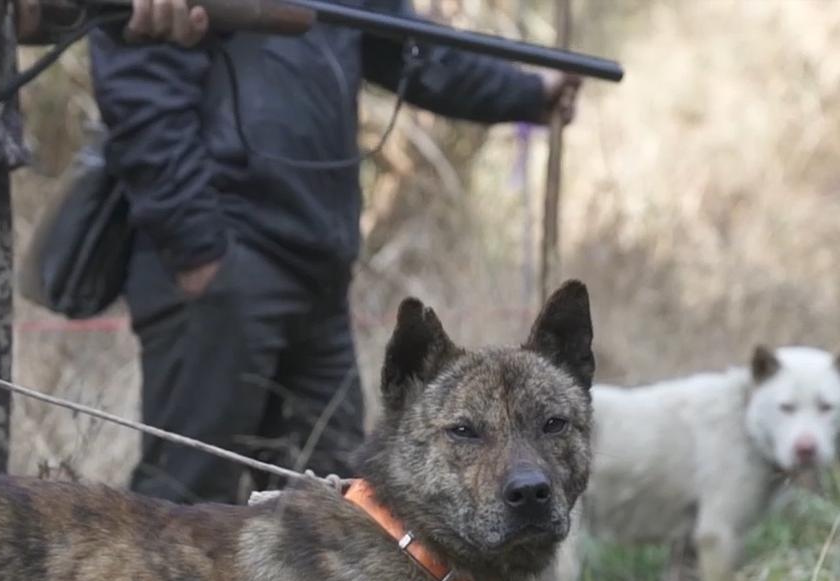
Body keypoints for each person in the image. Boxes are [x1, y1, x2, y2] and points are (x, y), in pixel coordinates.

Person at [90, 3, 581, 505]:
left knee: (333, 512)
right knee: (185, 504)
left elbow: (413, 49)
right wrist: (197, 249)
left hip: (317, 271)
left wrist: (530, 91)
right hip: (223, 263)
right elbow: (139, 88)